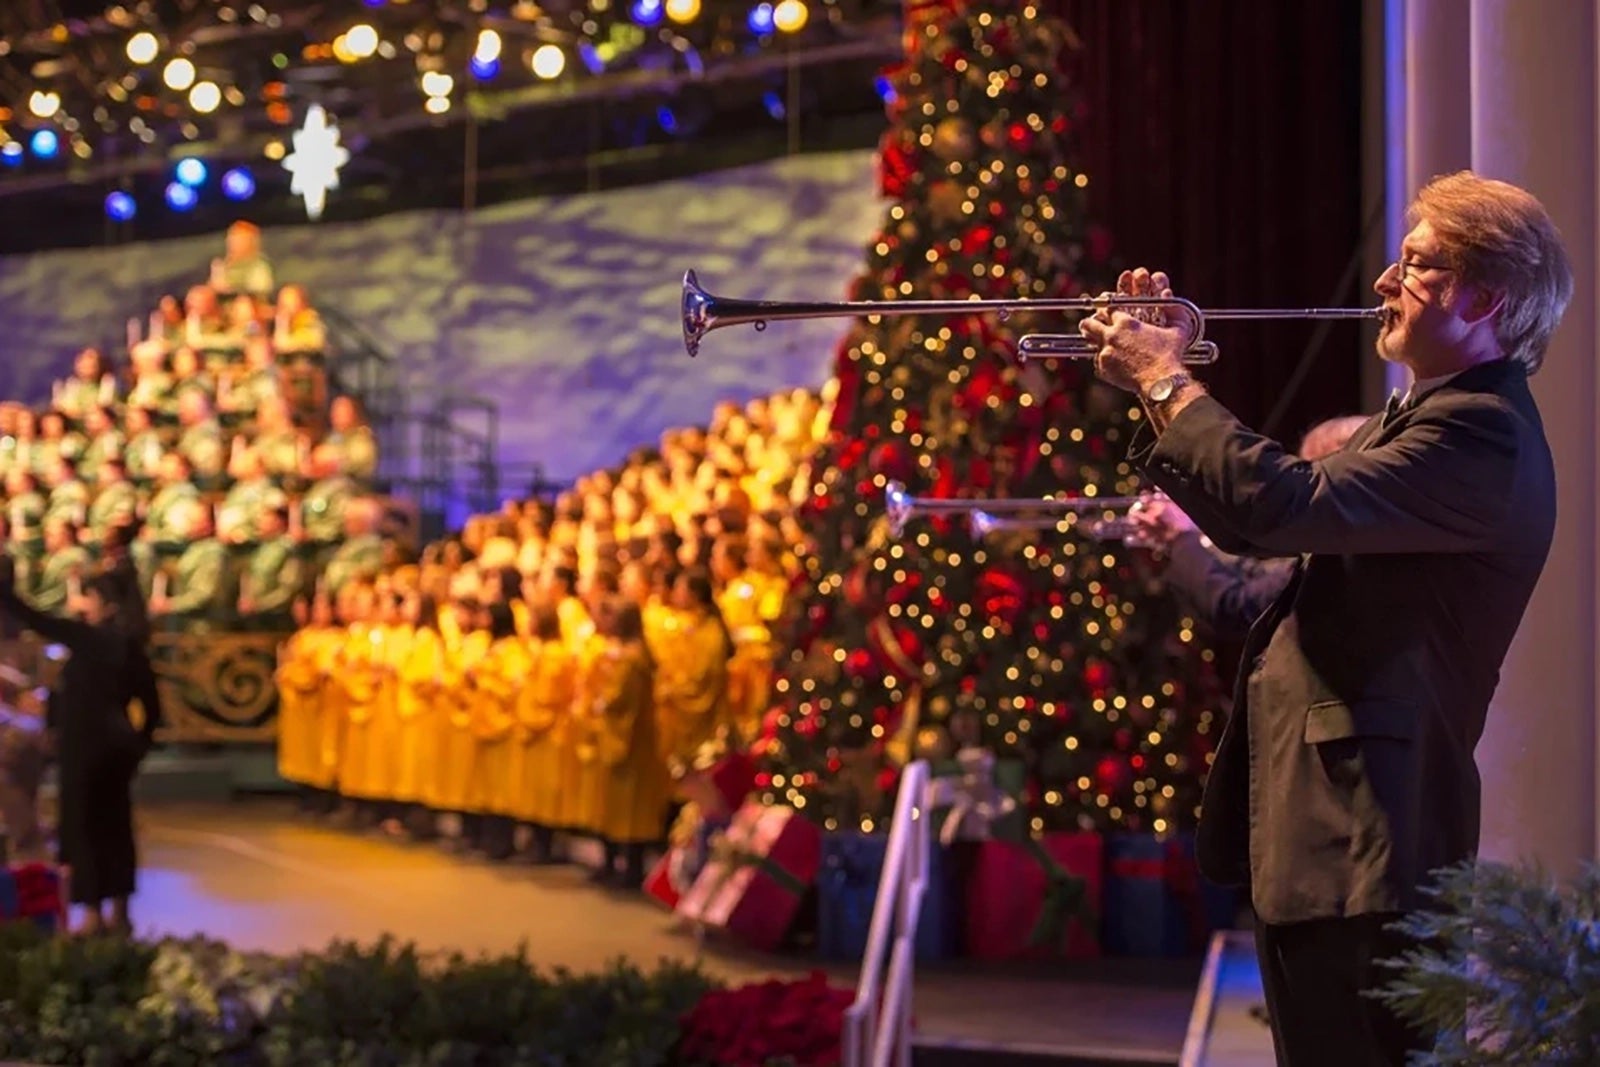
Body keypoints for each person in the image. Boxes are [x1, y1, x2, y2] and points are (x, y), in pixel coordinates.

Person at [1078, 170, 1571, 1066]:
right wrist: (1164, 374)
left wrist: (1165, 379)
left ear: (1483, 298)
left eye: (1414, 263)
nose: (1383, 281)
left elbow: (1278, 503)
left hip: (1367, 844)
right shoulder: (1428, 417)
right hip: (1331, 844)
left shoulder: (1480, 433)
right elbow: (1261, 523)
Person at [0, 560, 164, 935]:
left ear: (105, 604)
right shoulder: (130, 647)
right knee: (116, 828)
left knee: (83, 828)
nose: (79, 603)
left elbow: (35, 619)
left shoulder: (88, 639)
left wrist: (4, 589)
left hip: (84, 750)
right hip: (117, 752)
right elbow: (153, 710)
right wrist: (137, 749)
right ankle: (120, 909)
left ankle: (92, 914)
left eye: (87, 596)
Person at [1133, 415, 1367, 641]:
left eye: (1309, 478)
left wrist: (1180, 538)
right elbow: (1259, 573)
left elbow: (1235, 607)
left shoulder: (1341, 550)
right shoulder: (1361, 532)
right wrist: (1196, 536)